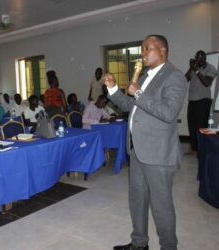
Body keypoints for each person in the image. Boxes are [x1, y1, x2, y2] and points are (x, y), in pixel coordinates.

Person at [103, 35, 187, 250]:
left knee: (161, 207)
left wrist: (139, 93)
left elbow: (168, 112)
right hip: (138, 150)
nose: (142, 54)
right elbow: (130, 105)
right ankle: (139, 244)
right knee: (137, 200)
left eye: (146, 48)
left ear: (162, 50)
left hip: (158, 153)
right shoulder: (145, 77)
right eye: (142, 49)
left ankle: (169, 247)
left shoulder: (174, 76)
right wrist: (113, 89)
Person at [185, 50, 217, 154]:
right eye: (197, 57)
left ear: (205, 58)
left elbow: (206, 83)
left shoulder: (211, 68)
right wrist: (191, 68)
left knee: (201, 126)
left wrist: (197, 71)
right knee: (192, 125)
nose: (199, 59)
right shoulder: (194, 68)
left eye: (201, 57)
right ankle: (194, 148)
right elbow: (185, 79)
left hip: (203, 100)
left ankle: (202, 149)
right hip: (192, 100)